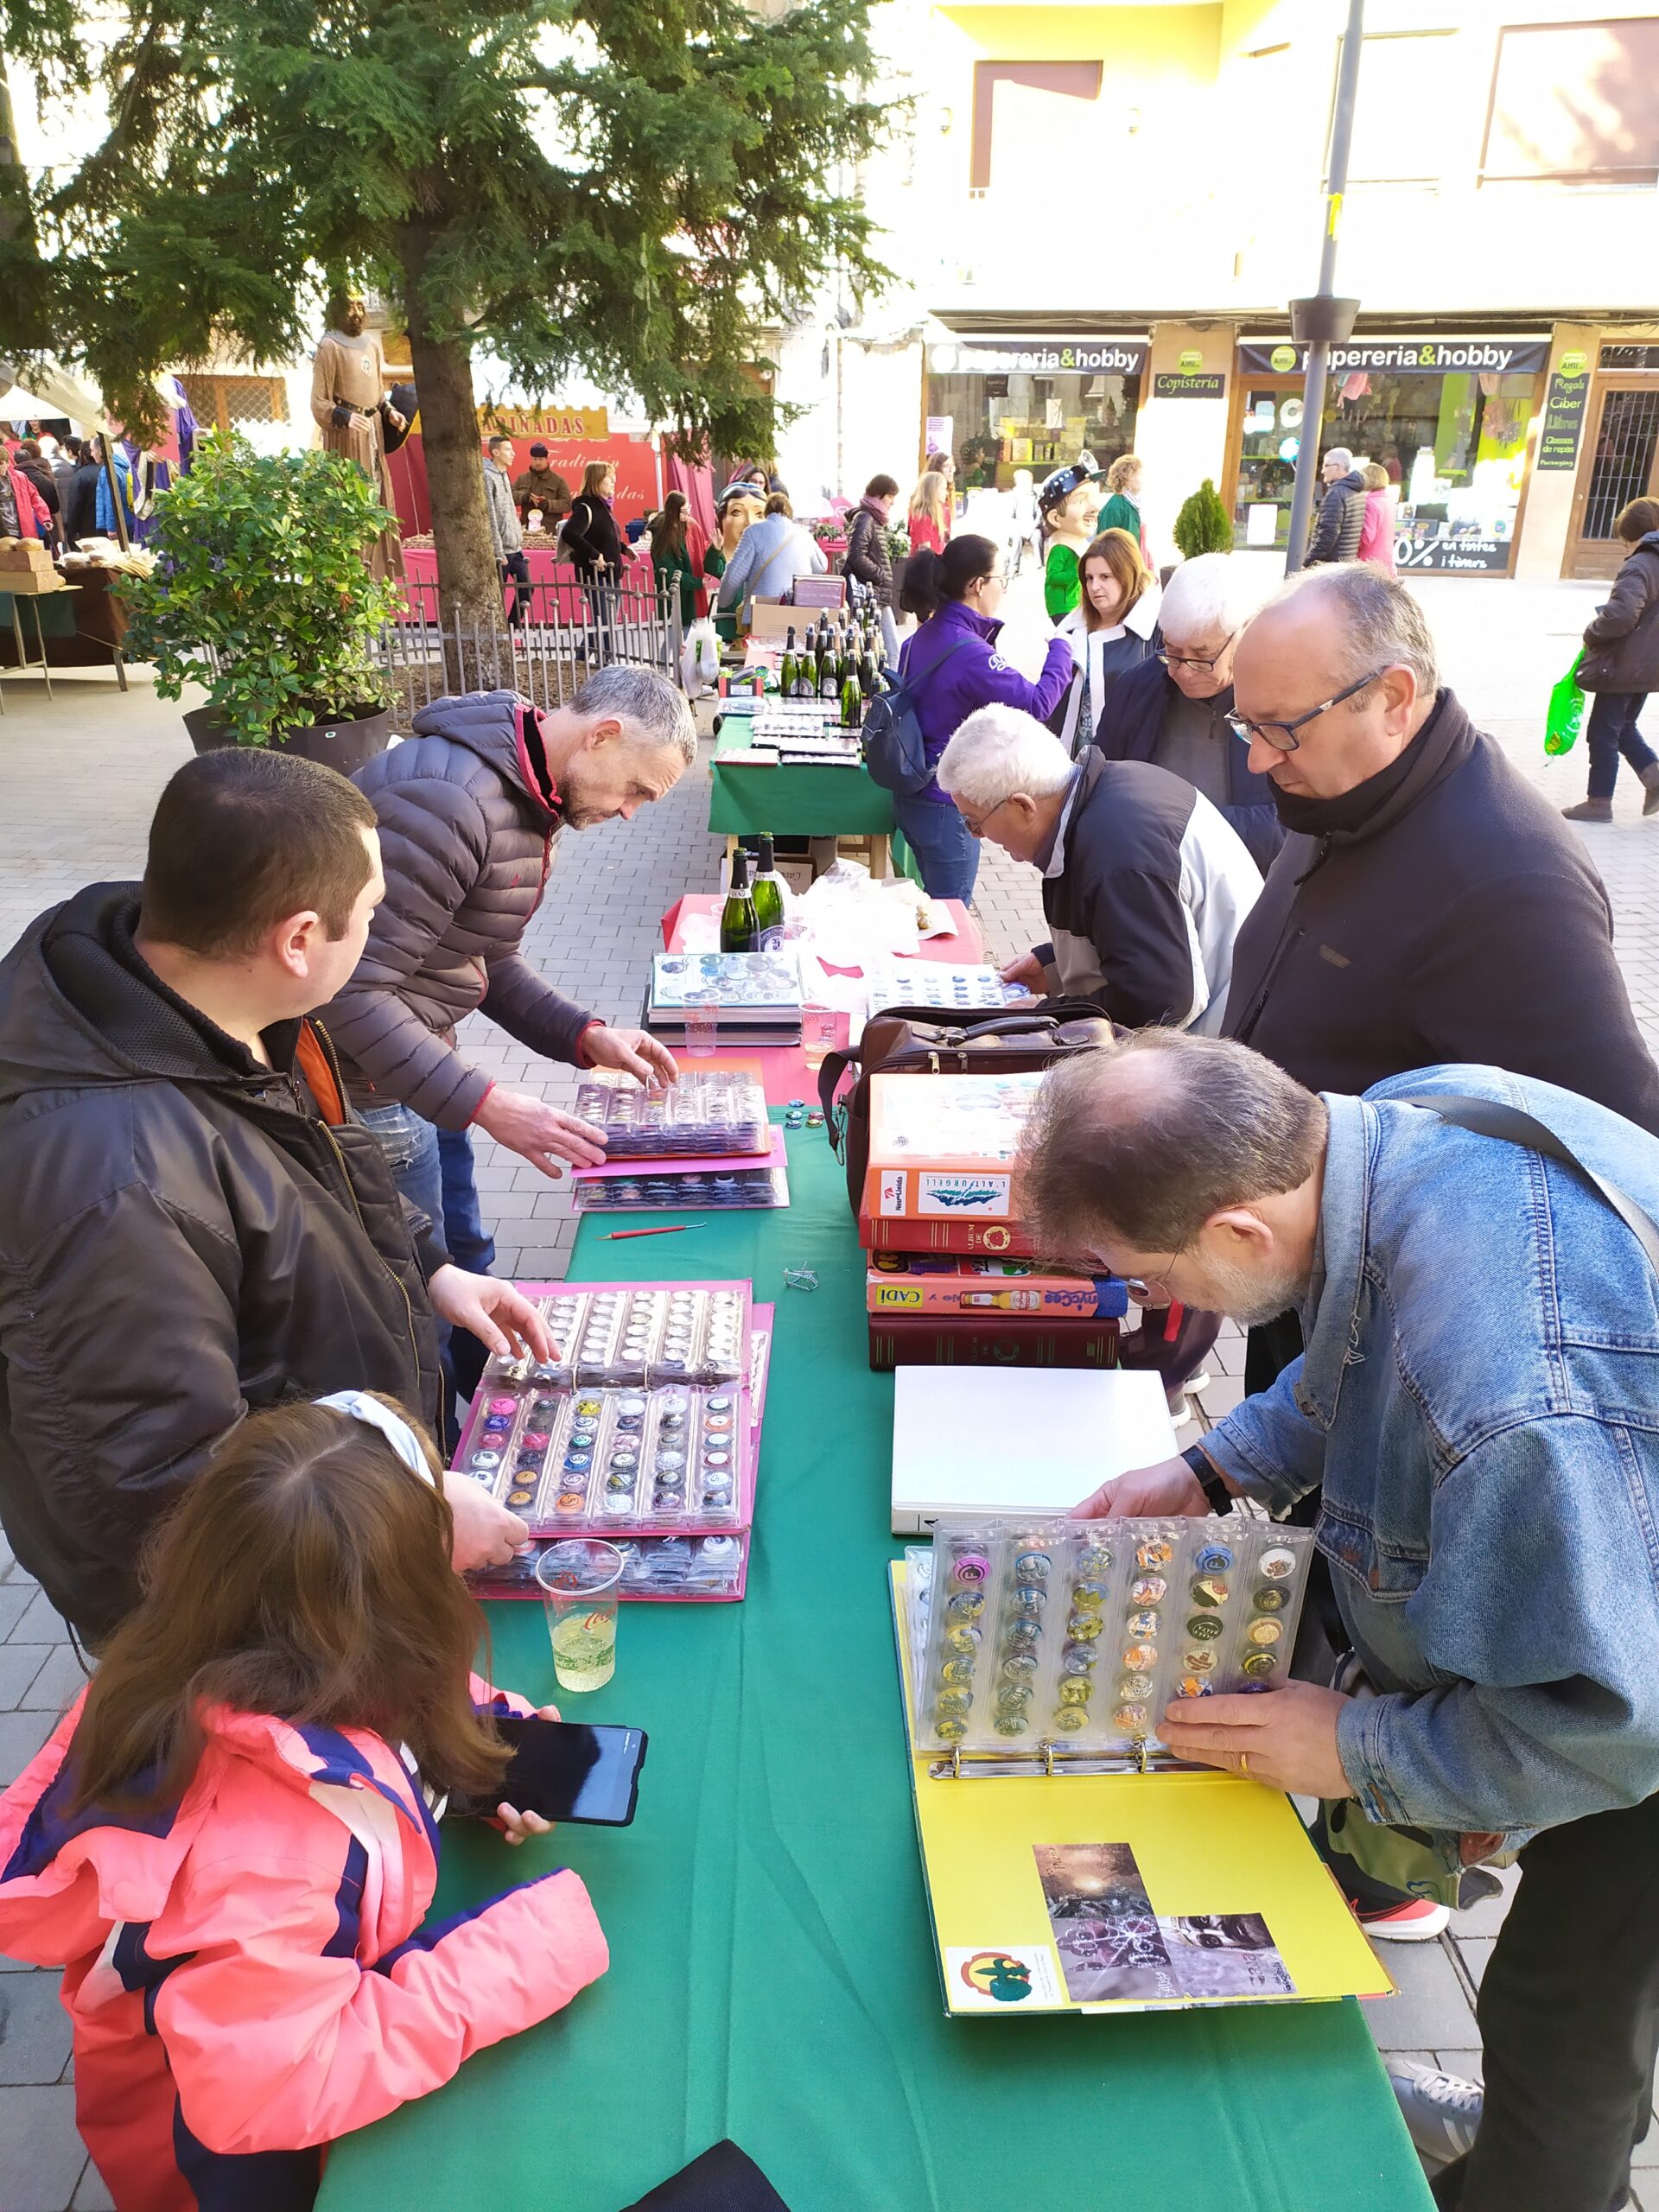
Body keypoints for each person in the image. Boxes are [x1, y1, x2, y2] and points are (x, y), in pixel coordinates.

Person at [1018, 1027, 1659, 2212]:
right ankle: (1522, 2134)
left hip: (1631, 1678)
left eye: (1155, 1277)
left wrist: (1356, 1748)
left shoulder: (1503, 1386)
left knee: (1569, 2010)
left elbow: (1613, 1732)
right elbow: (1350, 1362)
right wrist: (1211, 1468)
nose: (1158, 1305)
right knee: (1558, 2006)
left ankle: (1545, 2175)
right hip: (1604, 1554)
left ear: (1238, 1232)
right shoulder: (1376, 1134)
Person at [0, 1395, 607, 2212]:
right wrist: (526, 1955)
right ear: (399, 1619)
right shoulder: (267, 1859)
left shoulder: (227, 1641)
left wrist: (482, 1744)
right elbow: (269, 2090)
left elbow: (378, 1714)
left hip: (253, 2026)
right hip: (232, 2170)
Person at [0, 749, 546, 1644]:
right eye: (371, 911)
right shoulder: (114, 1174)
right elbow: (163, 1495)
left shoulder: (208, 1005)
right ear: (296, 940)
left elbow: (314, 1181)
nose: (378, 929)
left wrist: (433, 1268)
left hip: (325, 1537)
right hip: (242, 1627)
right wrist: (420, 1510)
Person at [321, 670, 694, 1404]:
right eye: (637, 790)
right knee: (416, 1295)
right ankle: (439, 1461)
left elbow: (479, 956)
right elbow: (351, 992)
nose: (629, 813)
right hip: (369, 1087)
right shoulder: (451, 801)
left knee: (467, 1265)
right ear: (603, 735)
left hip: (419, 1072)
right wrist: (487, 1103)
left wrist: (584, 1036)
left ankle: (487, 1417)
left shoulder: (517, 790)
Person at [937, 704, 1259, 1033]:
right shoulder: (1104, 795)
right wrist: (1055, 964)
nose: (980, 836)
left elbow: (1159, 1003)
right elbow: (1130, 936)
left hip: (1219, 1044)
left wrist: (1050, 1014)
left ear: (1023, 806)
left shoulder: (1118, 853)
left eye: (974, 823)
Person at [893, 536, 1072, 901]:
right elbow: (1037, 706)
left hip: (911, 796)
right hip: (946, 805)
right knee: (953, 915)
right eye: (1000, 580)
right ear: (977, 585)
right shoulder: (970, 653)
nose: (1002, 590)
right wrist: (1062, 650)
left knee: (935, 907)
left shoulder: (920, 637)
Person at [1094, 552, 1282, 871]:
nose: (1183, 671)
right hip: (1147, 882)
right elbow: (1099, 782)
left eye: (1202, 656)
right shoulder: (1136, 688)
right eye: (1173, 651)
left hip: (1248, 893)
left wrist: (1181, 825)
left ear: (1245, 633)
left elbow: (1293, 828)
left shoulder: (1284, 702)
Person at [1563, 496, 1659, 823]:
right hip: (1649, 665)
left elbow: (1620, 616)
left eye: (1624, 541)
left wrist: (1593, 631)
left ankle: (1599, 802)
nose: (1624, 549)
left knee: (1603, 732)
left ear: (1635, 535)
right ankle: (1656, 779)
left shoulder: (1639, 564)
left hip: (1624, 665)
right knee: (1623, 726)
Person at [309, 290, 405, 580]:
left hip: (373, 428)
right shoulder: (329, 346)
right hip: (347, 435)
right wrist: (346, 417)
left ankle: (379, 573)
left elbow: (377, 394)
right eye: (350, 307)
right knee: (354, 498)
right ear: (337, 311)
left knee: (378, 498)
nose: (357, 312)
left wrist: (389, 411)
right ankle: (353, 573)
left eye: (360, 306)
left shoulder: (371, 346)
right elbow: (318, 403)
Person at [1052, 527, 1161, 756]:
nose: (1094, 587)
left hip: (1127, 756)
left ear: (1127, 575)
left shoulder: (1153, 631)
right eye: (1089, 578)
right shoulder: (1070, 629)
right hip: (1070, 754)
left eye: (1105, 577)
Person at [714, 491, 825, 625]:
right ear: (790, 513)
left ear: (766, 512)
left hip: (762, 614)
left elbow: (734, 574)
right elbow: (822, 566)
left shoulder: (754, 531)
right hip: (797, 612)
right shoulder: (803, 534)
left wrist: (723, 601)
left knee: (761, 644)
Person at [562, 460, 630, 650]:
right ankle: (607, 663)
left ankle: (582, 658)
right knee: (604, 623)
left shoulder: (605, 506)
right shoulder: (586, 507)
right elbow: (570, 533)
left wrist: (624, 548)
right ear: (597, 480)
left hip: (612, 573)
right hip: (595, 574)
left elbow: (605, 536)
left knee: (604, 624)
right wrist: (594, 554)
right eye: (609, 477)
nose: (614, 481)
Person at [843, 474, 902, 665]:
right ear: (879, 495)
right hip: (871, 594)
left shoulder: (873, 518)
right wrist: (880, 576)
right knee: (889, 651)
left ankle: (888, 692)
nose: (892, 502)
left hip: (877, 594)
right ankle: (889, 693)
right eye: (891, 496)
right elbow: (856, 555)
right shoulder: (866, 518)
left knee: (888, 651)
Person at [1039, 459, 1104, 622]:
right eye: (1081, 500)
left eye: (1094, 498)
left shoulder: (1080, 546)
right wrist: (1079, 572)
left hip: (1076, 602)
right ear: (1055, 518)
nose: (1095, 508)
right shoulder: (1061, 549)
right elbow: (1053, 576)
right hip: (1063, 606)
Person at [482, 435, 531, 631]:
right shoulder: (488, 476)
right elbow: (492, 514)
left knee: (526, 587)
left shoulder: (504, 475)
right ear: (495, 452)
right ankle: (497, 628)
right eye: (508, 450)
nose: (513, 454)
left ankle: (513, 624)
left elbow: (510, 510)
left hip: (515, 547)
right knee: (498, 593)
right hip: (500, 549)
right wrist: (498, 549)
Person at [702, 489, 760, 642]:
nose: (749, 522)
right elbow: (715, 568)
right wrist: (715, 549)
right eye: (737, 513)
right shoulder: (728, 554)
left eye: (759, 514)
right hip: (732, 621)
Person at [1305, 446, 1367, 565]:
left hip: (1330, 565)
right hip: (1345, 561)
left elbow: (1327, 535)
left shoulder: (1336, 493)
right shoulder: (1356, 490)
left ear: (1338, 467)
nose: (1322, 471)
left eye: (1326, 465)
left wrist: (1308, 561)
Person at [647, 490, 698, 632]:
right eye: (683, 511)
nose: (686, 515)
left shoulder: (681, 528)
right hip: (673, 595)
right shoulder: (663, 537)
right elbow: (670, 572)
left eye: (687, 510)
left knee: (682, 637)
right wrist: (697, 582)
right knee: (672, 638)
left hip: (684, 595)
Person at [512, 441, 573, 533]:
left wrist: (548, 504)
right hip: (526, 530)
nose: (537, 462)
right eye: (535, 459)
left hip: (550, 531)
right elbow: (510, 497)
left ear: (546, 459)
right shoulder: (522, 479)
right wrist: (524, 497)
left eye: (540, 459)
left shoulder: (558, 480)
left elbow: (567, 505)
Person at [1096, 453, 1147, 559]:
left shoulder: (1134, 505)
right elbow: (1104, 543)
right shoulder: (1116, 505)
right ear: (1125, 478)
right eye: (1138, 474)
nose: (1143, 478)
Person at [1356, 461, 1395, 574]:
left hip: (1369, 562)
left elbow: (1367, 537)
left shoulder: (1370, 503)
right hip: (1385, 561)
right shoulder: (1388, 501)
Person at [906, 470, 948, 557]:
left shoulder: (935, 514)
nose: (946, 493)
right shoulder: (924, 517)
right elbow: (924, 550)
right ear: (933, 490)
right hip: (927, 567)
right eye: (943, 489)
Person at [1008, 467, 1040, 575]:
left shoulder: (1035, 497)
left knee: (1038, 535)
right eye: (1027, 482)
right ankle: (1014, 568)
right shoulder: (1013, 497)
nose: (1030, 485)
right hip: (1019, 527)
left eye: (1031, 482)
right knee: (1017, 538)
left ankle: (1039, 565)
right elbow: (1010, 517)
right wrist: (1020, 528)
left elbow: (1039, 516)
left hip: (1032, 527)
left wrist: (1032, 527)